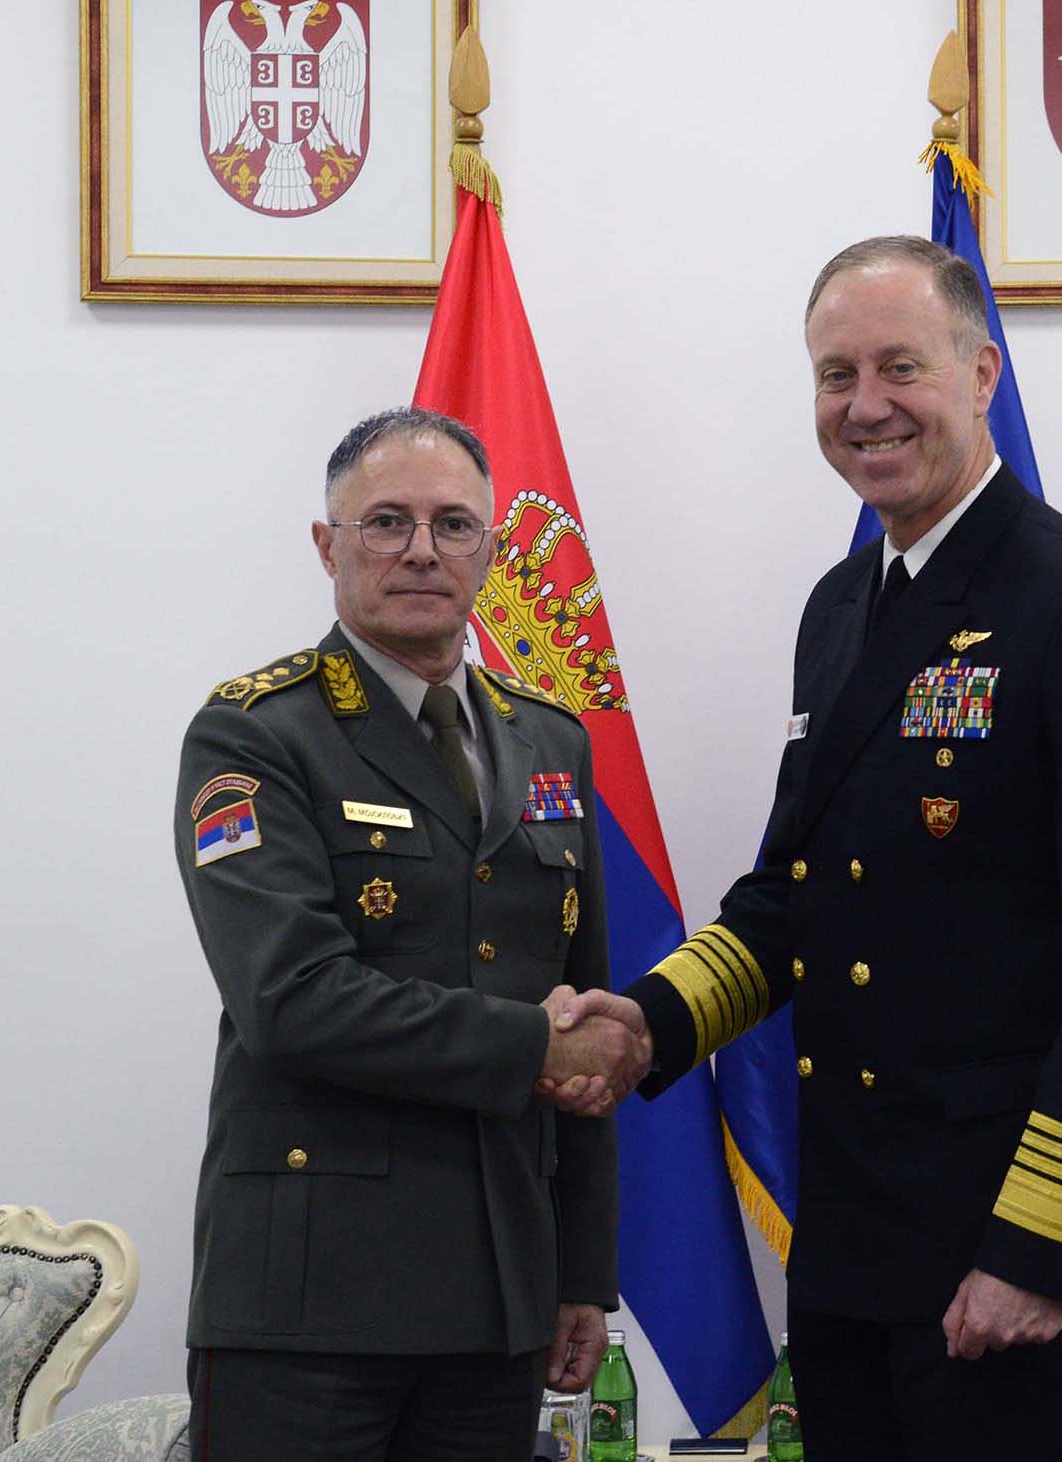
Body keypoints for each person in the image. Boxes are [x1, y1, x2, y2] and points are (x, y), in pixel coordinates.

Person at [553, 236, 1062, 1456]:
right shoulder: (840, 608)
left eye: (899, 367)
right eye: (835, 375)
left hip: (1007, 1251)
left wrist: (1037, 1250)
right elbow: (793, 895)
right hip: (857, 1236)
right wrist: (649, 1022)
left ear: (981, 375)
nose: (864, 406)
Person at [174, 406, 651, 1462]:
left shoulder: (550, 740)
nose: (423, 550)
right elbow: (292, 1000)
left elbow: (582, 1002)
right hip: (311, 1296)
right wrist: (535, 1047)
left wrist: (581, 1270)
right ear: (327, 545)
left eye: (454, 524)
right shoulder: (254, 734)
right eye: (387, 521)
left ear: (490, 550)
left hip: (498, 1294)